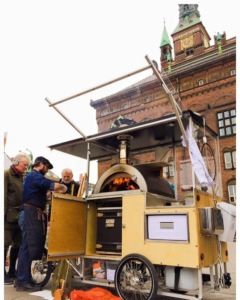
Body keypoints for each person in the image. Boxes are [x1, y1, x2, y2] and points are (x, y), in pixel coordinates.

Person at [15, 156, 67, 292]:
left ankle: (22, 279)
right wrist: (63, 187)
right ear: (41, 164)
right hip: (29, 213)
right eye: (47, 167)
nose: (47, 169)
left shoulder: (34, 178)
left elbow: (41, 192)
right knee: (27, 247)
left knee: (26, 247)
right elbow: (53, 186)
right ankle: (23, 281)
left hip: (30, 213)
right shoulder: (35, 176)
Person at [4, 153, 31, 284]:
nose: (26, 168)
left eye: (27, 166)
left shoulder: (22, 178)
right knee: (4, 245)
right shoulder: (5, 175)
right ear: (16, 162)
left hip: (19, 216)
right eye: (24, 165)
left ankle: (12, 272)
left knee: (18, 245)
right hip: (7, 216)